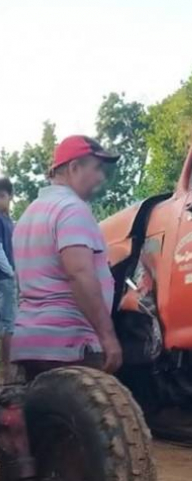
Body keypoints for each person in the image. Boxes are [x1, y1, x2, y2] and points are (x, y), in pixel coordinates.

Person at [6, 136, 122, 378]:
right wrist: (108, 337)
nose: (101, 177)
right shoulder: (71, 209)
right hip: (71, 345)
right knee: (99, 415)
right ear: (74, 167)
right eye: (97, 168)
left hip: (33, 343)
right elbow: (78, 273)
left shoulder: (28, 215)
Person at [0, 177, 15, 377]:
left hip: (6, 276)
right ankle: (8, 368)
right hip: (5, 277)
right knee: (9, 323)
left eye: (2, 196)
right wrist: (11, 272)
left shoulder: (9, 221)